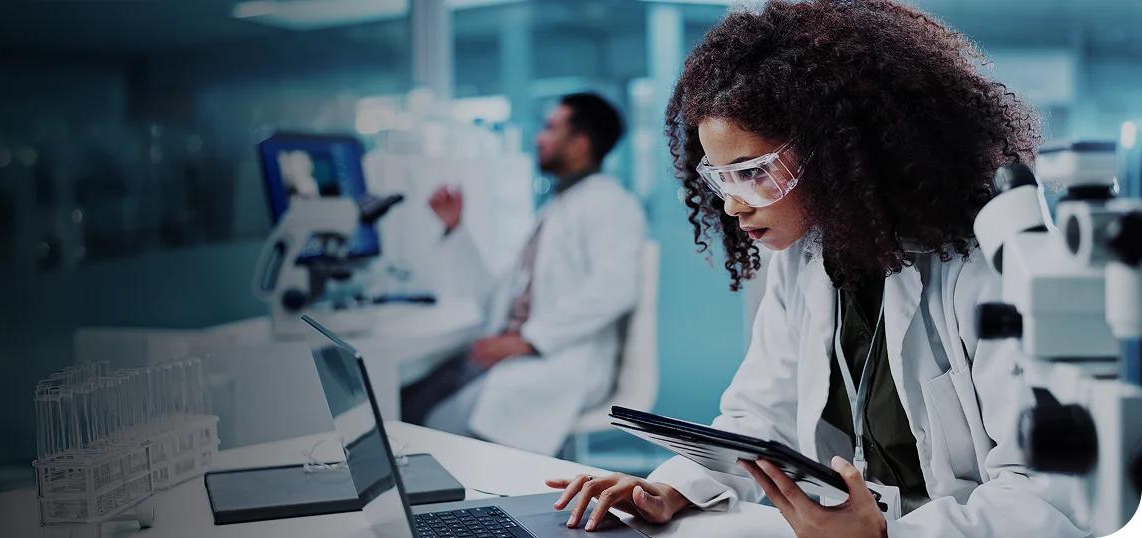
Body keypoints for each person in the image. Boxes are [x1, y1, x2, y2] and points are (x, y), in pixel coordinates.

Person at [546, 1, 1087, 537]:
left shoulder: (985, 263)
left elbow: (1049, 492)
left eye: (755, 173)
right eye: (722, 178)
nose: (735, 205)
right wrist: (672, 487)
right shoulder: (806, 257)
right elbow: (760, 417)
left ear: (837, 153)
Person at [400, 92, 647, 457]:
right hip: (520, 354)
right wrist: (456, 230)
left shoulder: (609, 203)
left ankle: (447, 511)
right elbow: (498, 294)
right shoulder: (557, 208)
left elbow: (614, 288)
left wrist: (528, 339)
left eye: (550, 128)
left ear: (580, 144)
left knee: (434, 427)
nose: (539, 138)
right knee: (407, 402)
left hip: (559, 362)